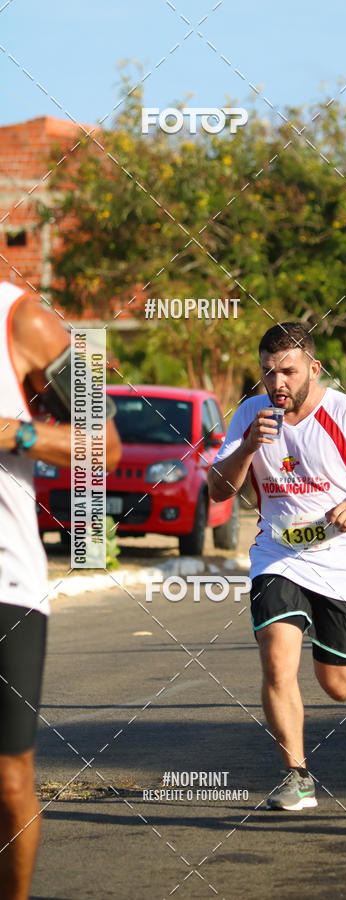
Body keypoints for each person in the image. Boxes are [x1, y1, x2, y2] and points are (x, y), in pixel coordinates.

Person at [208, 322, 346, 810]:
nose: (277, 383)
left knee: (334, 680)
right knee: (277, 660)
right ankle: (296, 775)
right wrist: (248, 447)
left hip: (341, 561)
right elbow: (217, 490)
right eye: (268, 372)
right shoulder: (250, 415)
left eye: (288, 371)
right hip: (277, 555)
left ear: (314, 369)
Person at [0, 282, 121, 899]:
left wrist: (18, 435)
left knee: (8, 779)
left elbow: (108, 445)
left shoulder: (25, 321)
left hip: (6, 585)